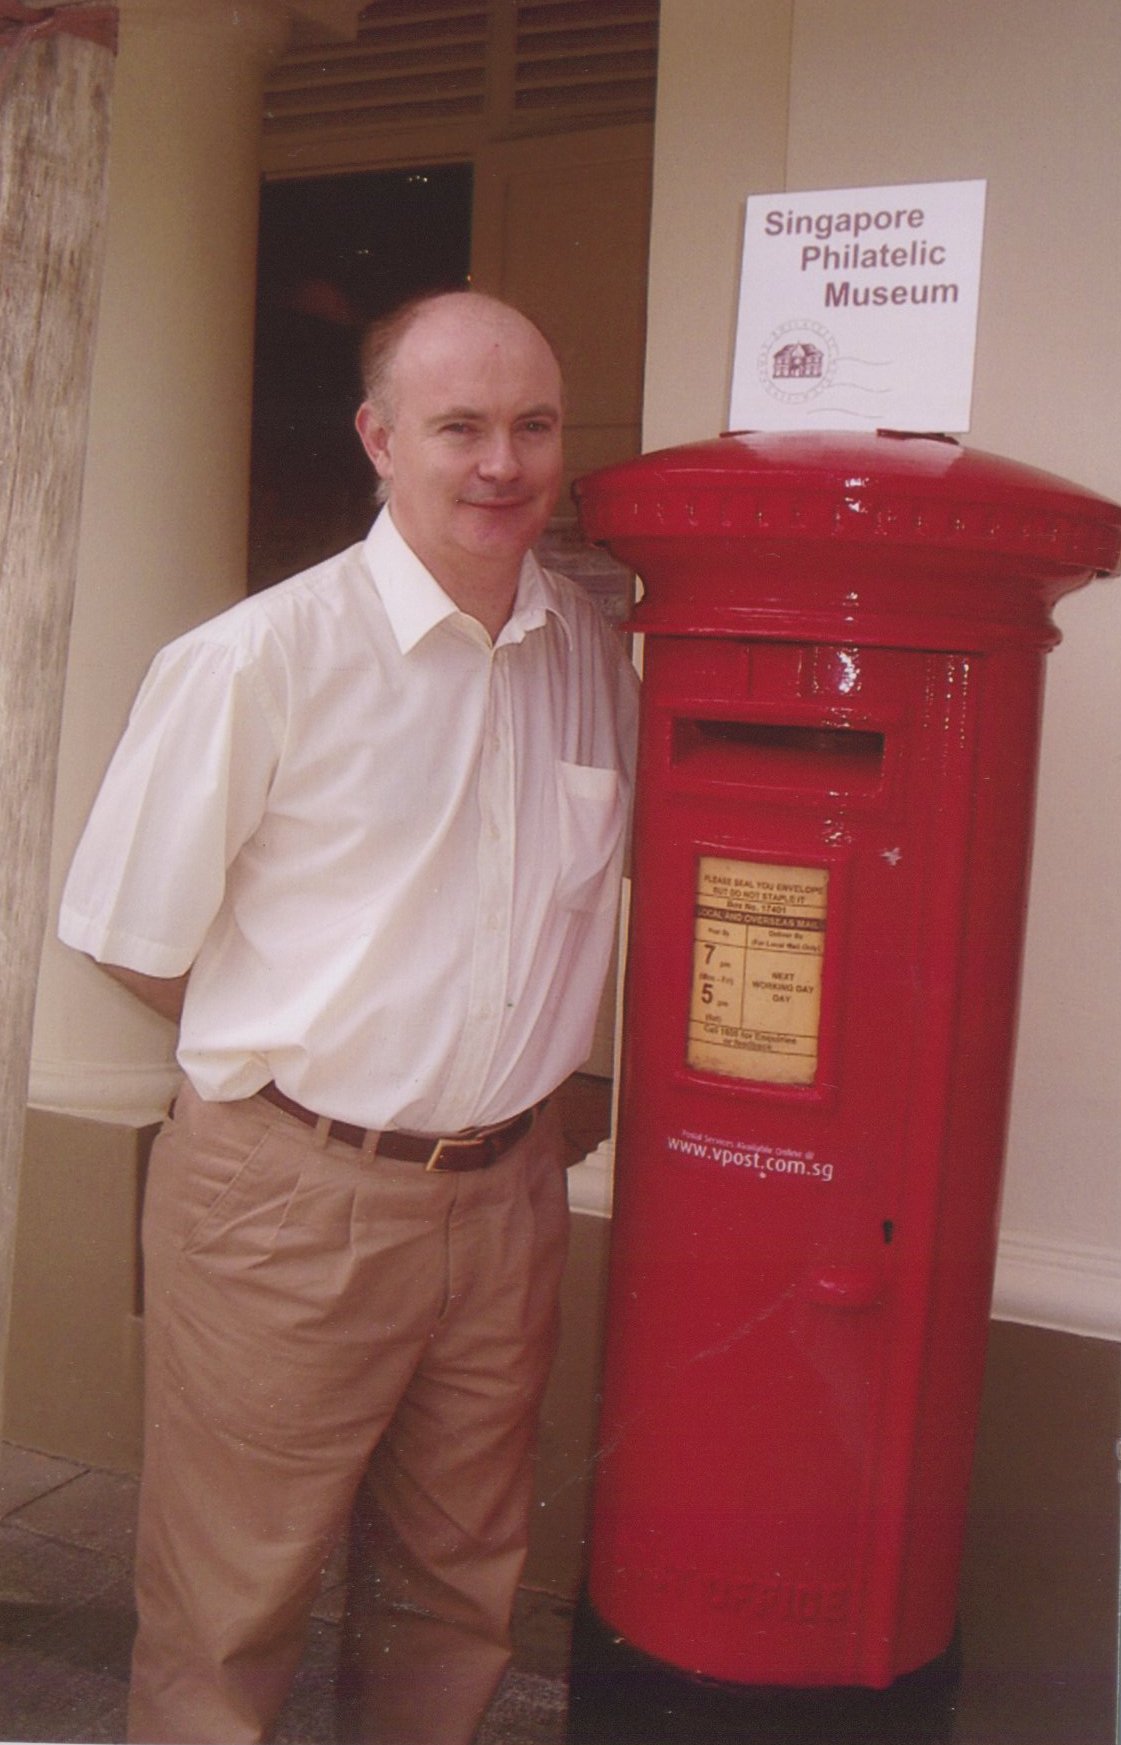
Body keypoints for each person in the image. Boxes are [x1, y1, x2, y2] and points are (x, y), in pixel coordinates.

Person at [59, 289, 639, 1745]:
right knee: (229, 1605)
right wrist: (319, 1054)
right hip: (287, 1203)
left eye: (531, 425)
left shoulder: (592, 657)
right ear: (381, 438)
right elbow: (129, 936)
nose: (501, 460)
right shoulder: (256, 658)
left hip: (506, 1197)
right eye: (460, 426)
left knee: (456, 1594)